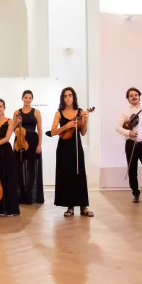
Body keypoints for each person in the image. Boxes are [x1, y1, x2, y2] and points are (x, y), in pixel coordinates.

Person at [52, 87, 93, 218]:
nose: (68, 98)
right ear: (62, 98)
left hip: (76, 146)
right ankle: (70, 206)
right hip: (63, 147)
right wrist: (65, 126)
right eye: (65, 96)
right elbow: (53, 132)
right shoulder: (59, 113)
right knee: (66, 175)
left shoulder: (80, 112)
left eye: (70, 95)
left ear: (74, 97)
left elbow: (83, 132)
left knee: (79, 173)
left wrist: (85, 120)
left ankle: (83, 206)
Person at [13, 90, 44, 204]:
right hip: (19, 141)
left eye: (30, 98)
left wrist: (39, 144)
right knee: (18, 168)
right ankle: (21, 194)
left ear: (32, 99)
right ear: (22, 98)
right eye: (25, 97)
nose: (27, 100)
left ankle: (29, 195)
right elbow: (12, 130)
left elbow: (40, 129)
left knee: (32, 168)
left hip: (33, 140)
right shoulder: (17, 112)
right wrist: (17, 122)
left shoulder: (36, 112)